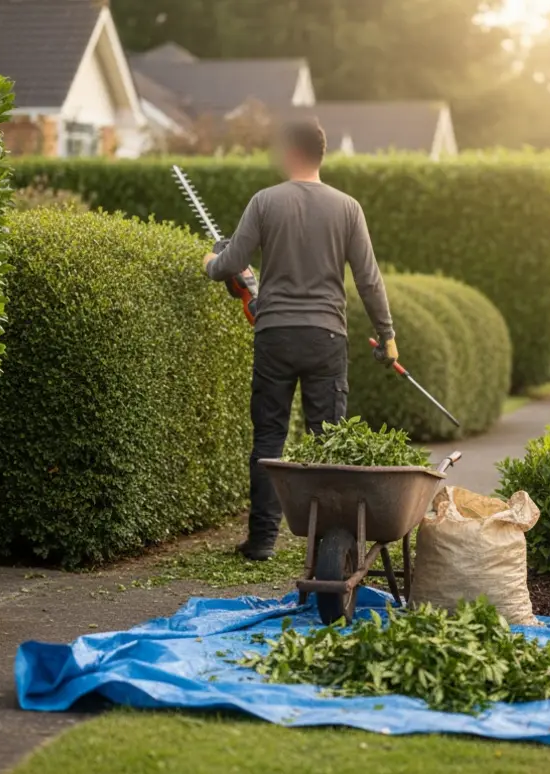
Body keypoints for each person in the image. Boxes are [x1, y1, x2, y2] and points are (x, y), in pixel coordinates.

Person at [203, 119, 396, 561]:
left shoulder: (265, 201)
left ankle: (261, 541)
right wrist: (386, 334)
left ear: (291, 153)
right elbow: (368, 280)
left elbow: (233, 259)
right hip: (326, 337)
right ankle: (327, 543)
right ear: (321, 155)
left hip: (274, 335)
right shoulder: (348, 207)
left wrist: (210, 264)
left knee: (269, 439)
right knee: (327, 440)